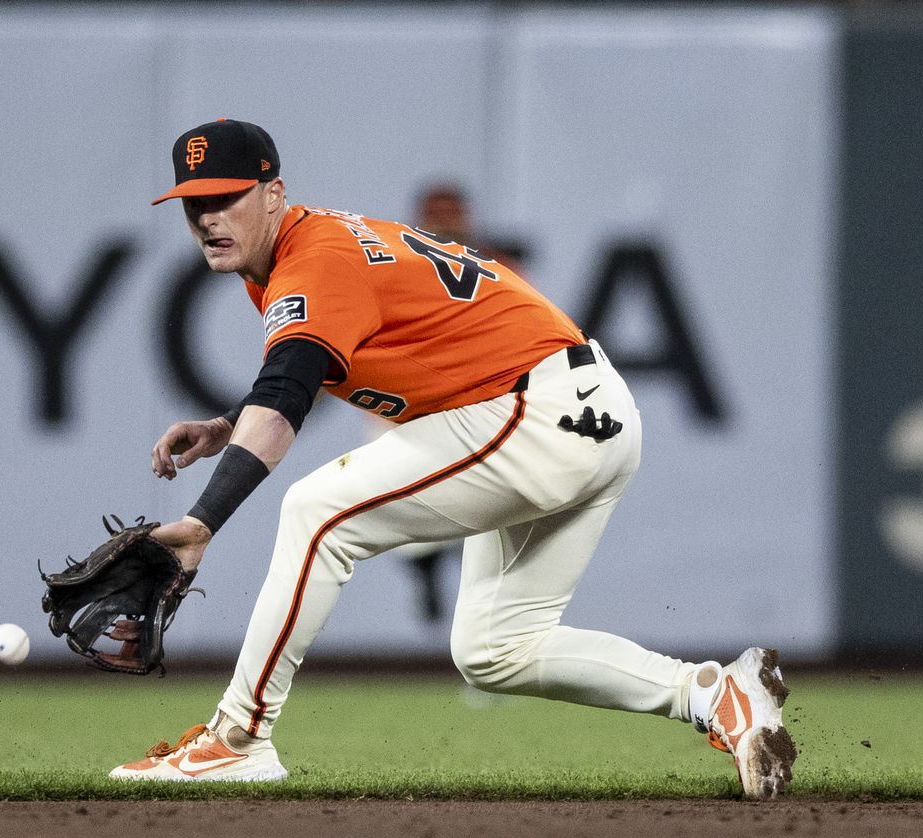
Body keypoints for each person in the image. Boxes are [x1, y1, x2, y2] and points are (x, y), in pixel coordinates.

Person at [108, 119, 796, 798]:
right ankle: (713, 694)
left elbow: (288, 394)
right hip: (578, 408)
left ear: (272, 193)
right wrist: (230, 425)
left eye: (224, 197)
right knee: (495, 649)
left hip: (536, 410)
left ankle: (236, 739)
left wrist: (201, 522)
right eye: (193, 204)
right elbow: (302, 373)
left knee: (317, 512)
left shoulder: (313, 257)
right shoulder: (310, 246)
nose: (206, 217)